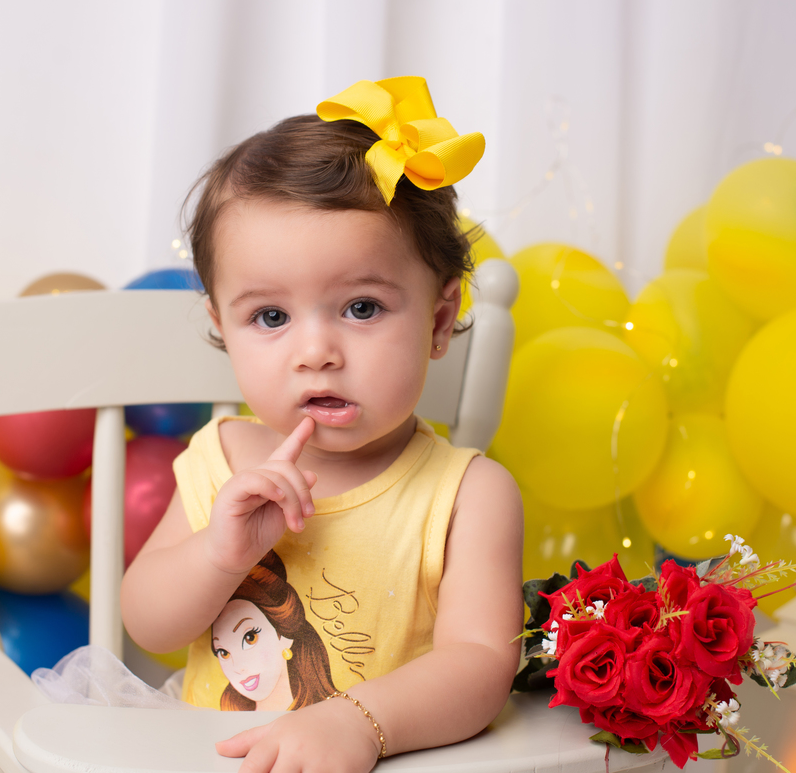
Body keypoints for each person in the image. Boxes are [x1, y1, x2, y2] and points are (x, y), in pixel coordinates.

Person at [120, 76, 524, 773]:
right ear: (222, 326)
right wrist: (218, 555)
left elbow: (481, 663)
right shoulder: (224, 457)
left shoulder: (468, 494)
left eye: (362, 308)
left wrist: (358, 722)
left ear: (438, 320)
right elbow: (147, 622)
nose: (316, 353)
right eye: (270, 316)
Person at [213, 550, 336, 711]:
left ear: (284, 634)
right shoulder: (227, 715)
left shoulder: (328, 711)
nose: (238, 667)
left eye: (250, 638)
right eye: (223, 653)